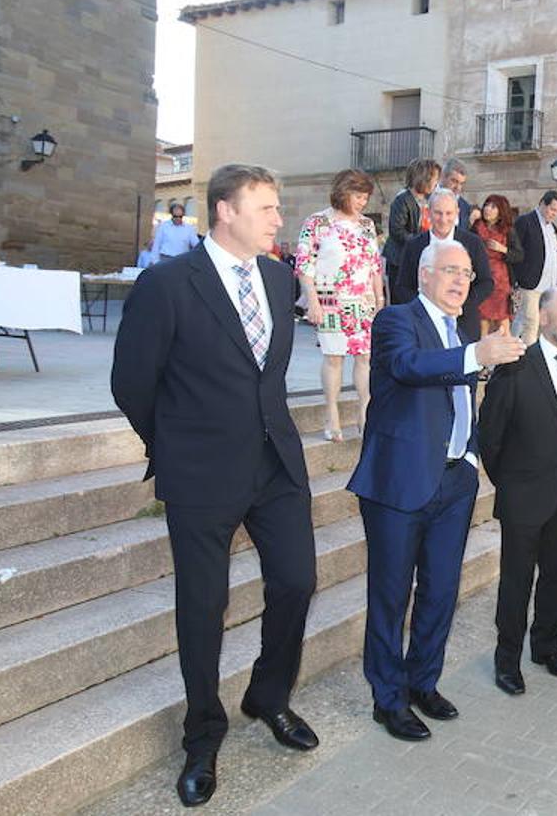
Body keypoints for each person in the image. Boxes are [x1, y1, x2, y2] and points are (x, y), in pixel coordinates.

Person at [111, 164, 319, 807]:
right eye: (266, 207)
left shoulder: (280, 278)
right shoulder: (168, 284)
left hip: (274, 463)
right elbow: (132, 382)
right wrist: (174, 445)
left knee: (297, 580)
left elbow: (268, 376)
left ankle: (268, 695)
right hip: (201, 470)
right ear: (225, 211)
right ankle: (202, 735)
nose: (277, 218)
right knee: (203, 608)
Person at [347, 241, 526, 742]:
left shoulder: (462, 329)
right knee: (390, 595)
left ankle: (423, 681)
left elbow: (460, 397)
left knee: (441, 591)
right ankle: (388, 699)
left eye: (468, 274)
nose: (460, 281)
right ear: (424, 274)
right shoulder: (395, 321)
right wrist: (475, 354)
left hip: (454, 481)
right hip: (400, 482)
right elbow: (408, 367)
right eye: (450, 271)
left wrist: (468, 457)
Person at [480, 287, 557, 695]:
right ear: (544, 318)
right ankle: (507, 660)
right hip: (522, 497)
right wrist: (511, 483)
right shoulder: (514, 366)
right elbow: (490, 436)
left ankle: (546, 647)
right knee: (516, 583)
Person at [294, 170, 385, 441]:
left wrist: (380, 300)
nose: (362, 202)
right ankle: (331, 413)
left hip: (363, 299)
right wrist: (312, 301)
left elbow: (374, 265)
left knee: (365, 358)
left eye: (365, 198)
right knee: (334, 357)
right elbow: (304, 264)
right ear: (343, 192)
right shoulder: (317, 222)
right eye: (358, 196)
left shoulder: (367, 225)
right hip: (329, 298)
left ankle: (365, 412)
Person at [392, 189, 494, 341]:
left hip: (464, 323)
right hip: (423, 326)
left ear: (457, 212)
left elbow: (486, 283)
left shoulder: (473, 243)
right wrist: (424, 309)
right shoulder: (414, 246)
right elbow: (402, 287)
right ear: (428, 212)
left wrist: (459, 305)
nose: (443, 219)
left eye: (449, 213)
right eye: (438, 213)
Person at [510, 190, 557, 344]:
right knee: (531, 323)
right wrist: (516, 280)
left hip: (549, 286)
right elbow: (515, 252)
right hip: (530, 284)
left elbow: (555, 257)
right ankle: (529, 363)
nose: (554, 214)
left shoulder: (553, 229)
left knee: (533, 322)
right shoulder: (525, 222)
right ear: (542, 203)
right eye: (552, 209)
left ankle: (509, 351)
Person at [382, 158, 440, 293]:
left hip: (418, 259)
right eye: (434, 178)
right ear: (423, 178)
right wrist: (420, 242)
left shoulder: (427, 200)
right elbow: (397, 231)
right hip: (400, 261)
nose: (436, 183)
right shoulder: (402, 199)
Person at [472, 194, 522, 336]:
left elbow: (519, 255)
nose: (488, 209)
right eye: (487, 205)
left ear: (501, 211)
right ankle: (482, 356)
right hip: (481, 277)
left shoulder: (508, 230)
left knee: (503, 324)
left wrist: (503, 249)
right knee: (482, 323)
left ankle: (505, 357)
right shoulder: (476, 227)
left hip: (501, 282)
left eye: (493, 207)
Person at [439, 157, 475, 232]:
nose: (458, 188)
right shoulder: (426, 198)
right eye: (454, 181)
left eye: (461, 183)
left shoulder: (465, 207)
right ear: (442, 177)